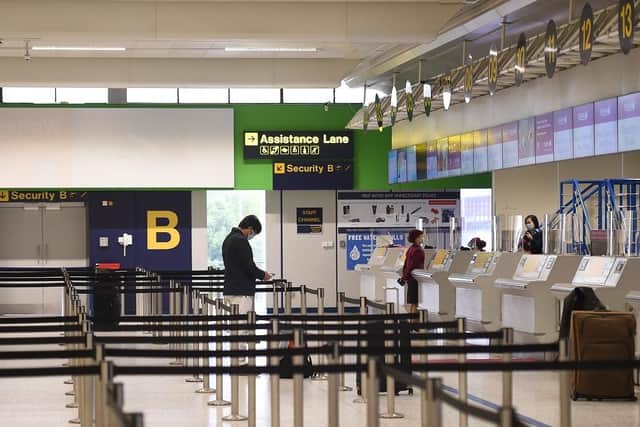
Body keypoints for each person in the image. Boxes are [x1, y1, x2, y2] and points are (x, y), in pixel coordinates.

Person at [222, 215, 272, 315]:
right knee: (243, 327)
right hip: (241, 292)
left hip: (230, 288)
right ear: (250, 228)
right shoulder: (241, 240)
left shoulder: (228, 238)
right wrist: (263, 275)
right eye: (253, 233)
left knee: (234, 327)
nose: (252, 236)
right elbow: (249, 266)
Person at [400, 229, 425, 316]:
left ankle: (411, 321)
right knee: (415, 303)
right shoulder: (418, 250)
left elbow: (406, 264)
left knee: (412, 303)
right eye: (421, 237)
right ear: (416, 238)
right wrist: (405, 277)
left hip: (411, 278)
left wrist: (404, 276)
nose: (422, 239)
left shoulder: (410, 249)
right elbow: (412, 265)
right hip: (415, 279)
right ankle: (414, 323)